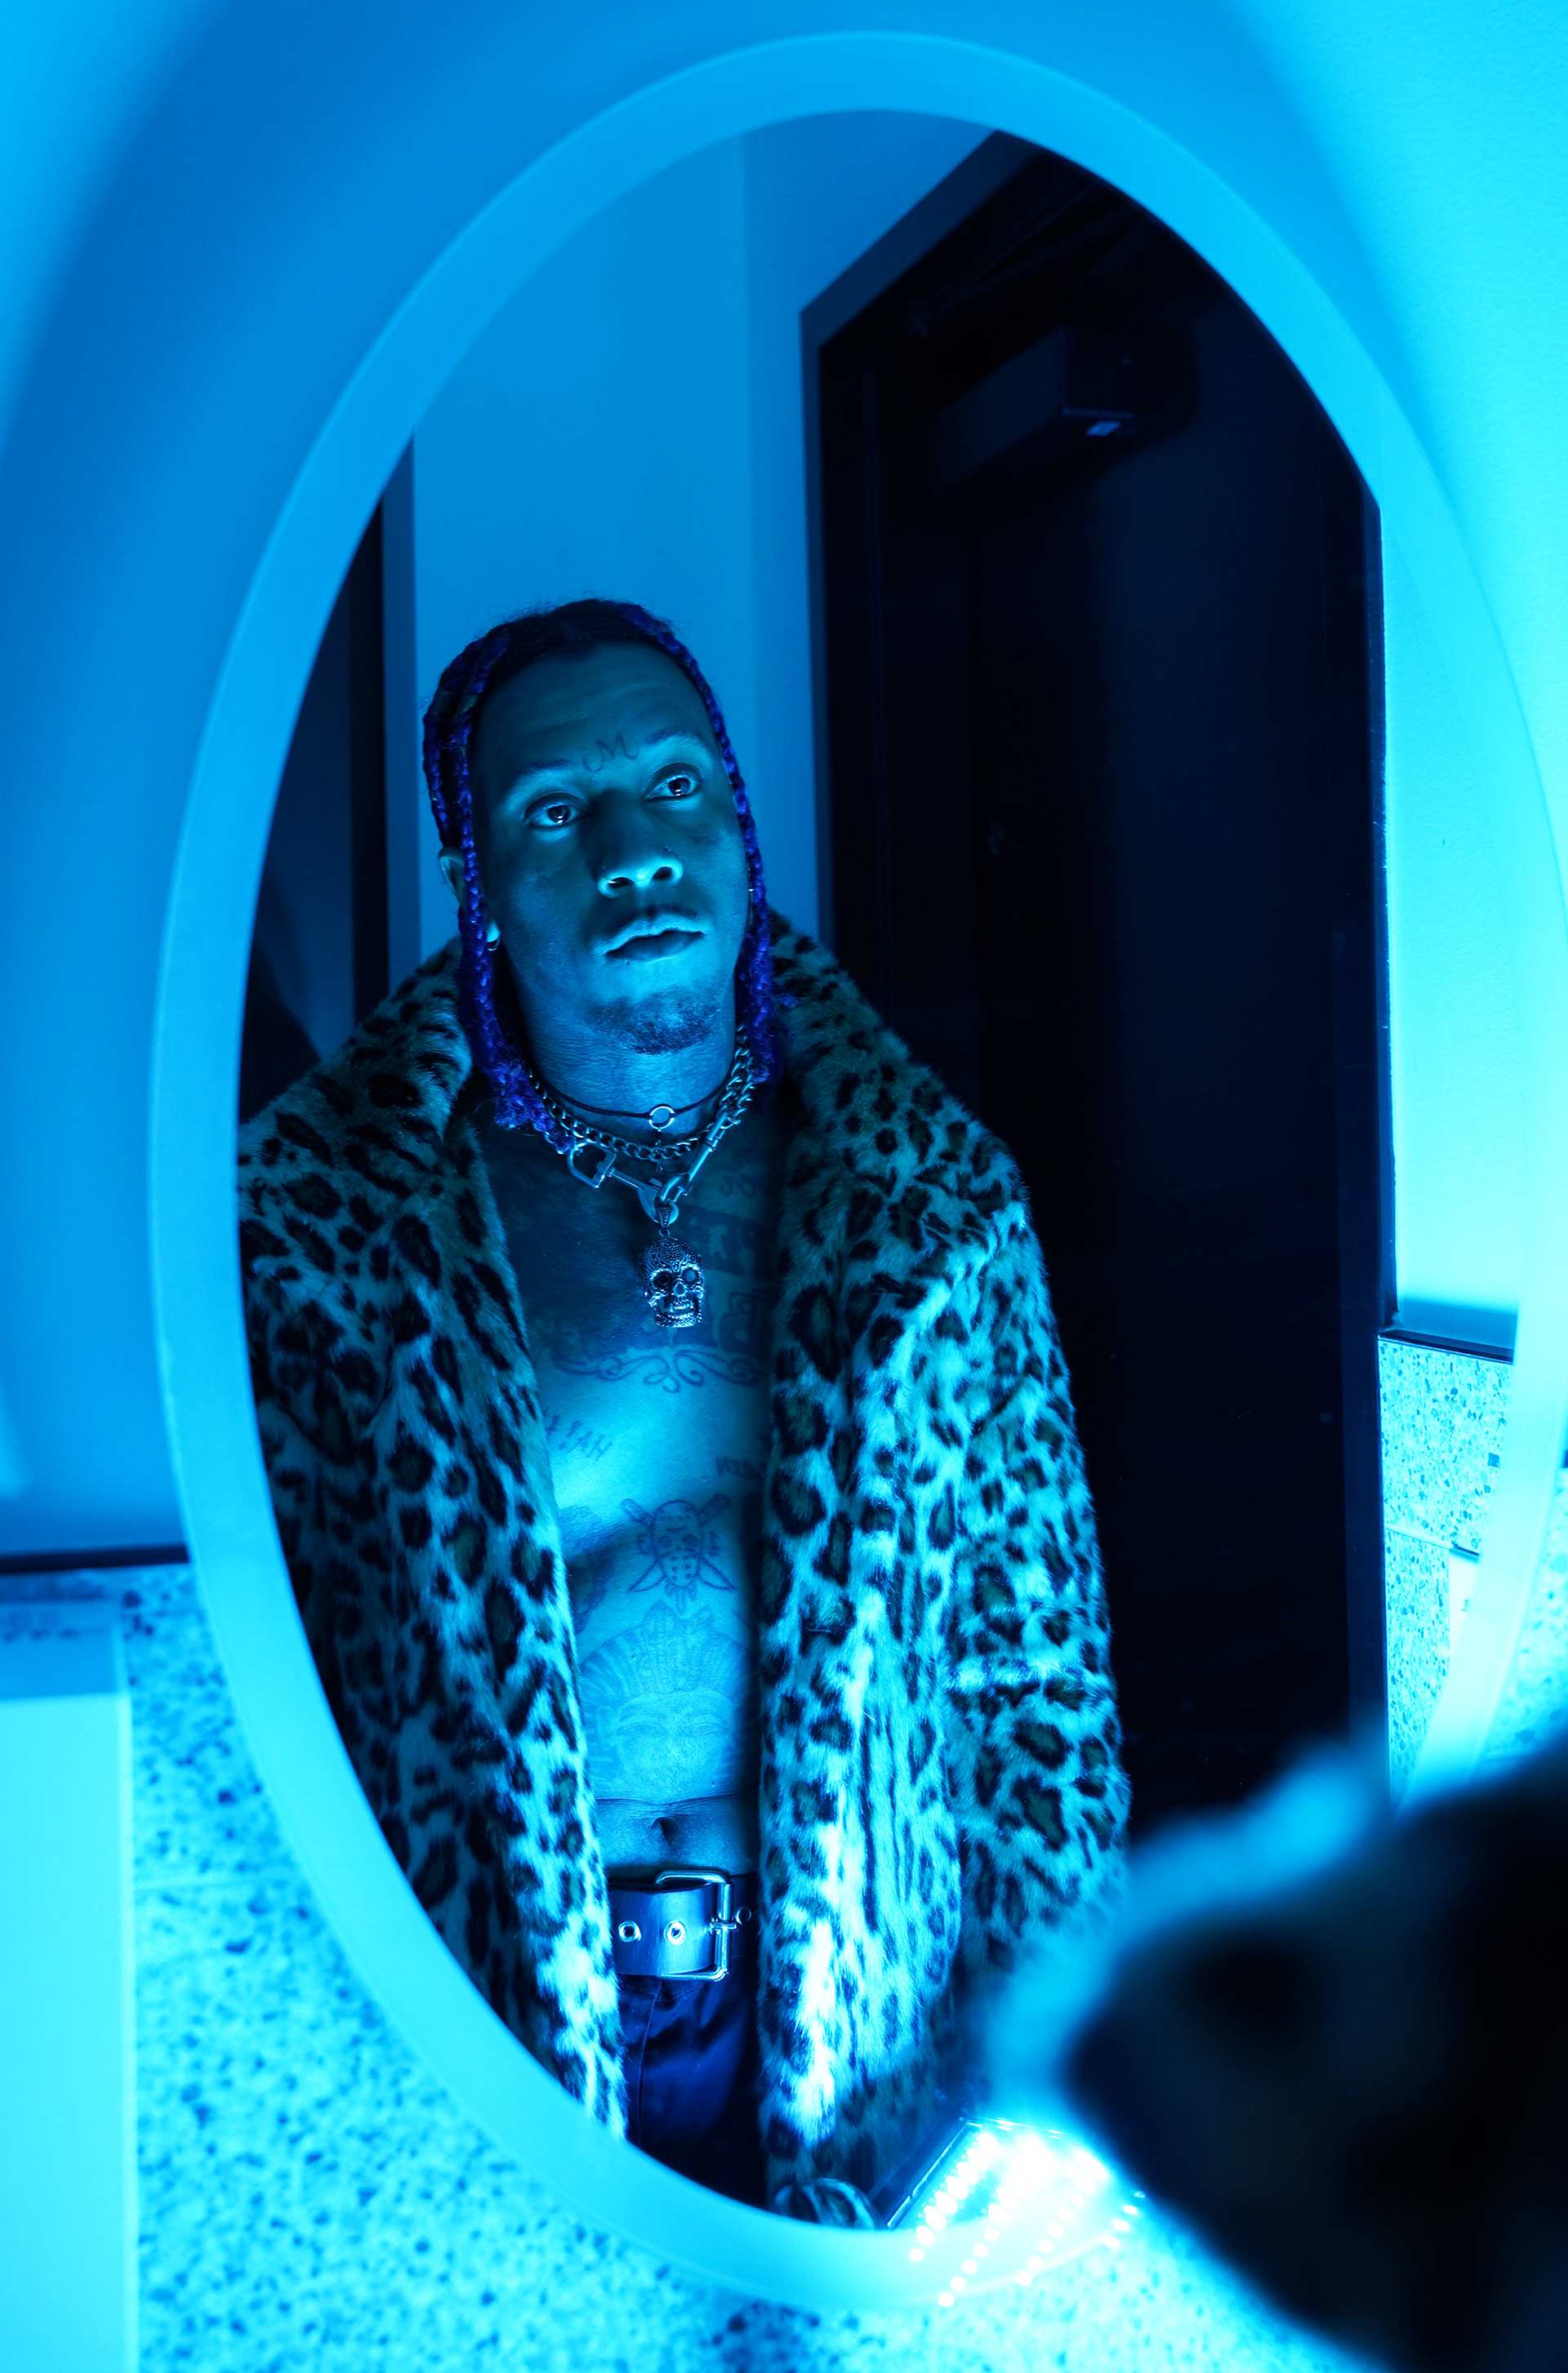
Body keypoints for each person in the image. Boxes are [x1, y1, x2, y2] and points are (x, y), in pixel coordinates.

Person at [238, 596, 1126, 2213]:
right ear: (479, 881)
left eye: (674, 784)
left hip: (858, 2007)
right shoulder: (331, 1241)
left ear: (739, 822)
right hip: (476, 2003)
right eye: (554, 810)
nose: (634, 851)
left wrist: (1061, 2050)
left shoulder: (938, 1218)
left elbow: (1034, 1678)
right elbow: (268, 1684)